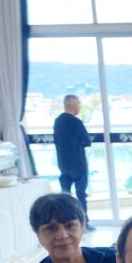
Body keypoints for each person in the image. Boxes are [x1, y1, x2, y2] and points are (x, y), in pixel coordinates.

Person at [53, 94, 94, 229]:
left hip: (63, 163)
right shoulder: (76, 122)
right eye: (78, 104)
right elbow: (87, 141)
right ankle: (83, 223)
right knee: (81, 194)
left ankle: (66, 222)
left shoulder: (58, 121)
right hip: (78, 163)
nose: (79, 107)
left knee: (65, 194)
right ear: (73, 105)